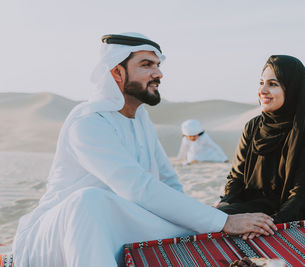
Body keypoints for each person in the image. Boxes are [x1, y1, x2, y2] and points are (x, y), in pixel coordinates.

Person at [12, 33, 276, 267]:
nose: (158, 74)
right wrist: (223, 222)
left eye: (158, 65)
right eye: (146, 65)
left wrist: (207, 221)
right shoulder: (88, 122)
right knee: (88, 201)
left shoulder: (140, 119)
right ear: (116, 72)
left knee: (199, 222)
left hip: (125, 222)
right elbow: (136, 187)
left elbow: (169, 181)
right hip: (61, 233)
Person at [216, 55, 305, 239]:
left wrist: (270, 224)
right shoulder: (253, 127)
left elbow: (304, 195)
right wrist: (224, 206)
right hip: (257, 207)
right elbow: (236, 179)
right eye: (261, 82)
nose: (262, 90)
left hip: (298, 213)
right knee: (210, 219)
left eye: (272, 84)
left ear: (293, 89)